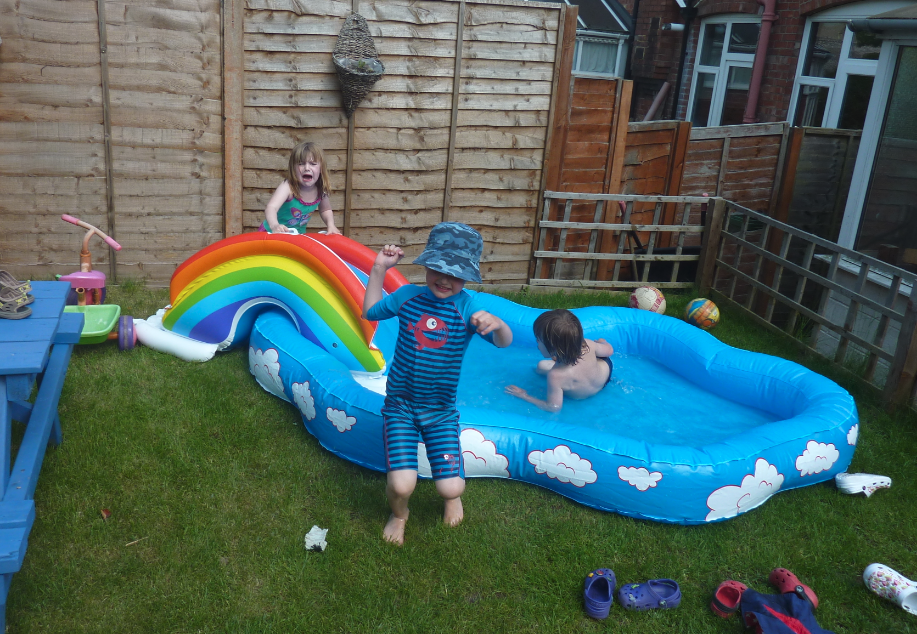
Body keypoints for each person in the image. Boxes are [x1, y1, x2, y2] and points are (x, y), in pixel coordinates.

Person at [363, 222, 513, 546]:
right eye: (438, 269)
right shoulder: (407, 298)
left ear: (468, 276)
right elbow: (370, 310)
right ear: (427, 264)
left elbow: (504, 343)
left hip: (440, 412)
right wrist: (378, 269)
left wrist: (498, 324)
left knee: (451, 487)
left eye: (455, 274)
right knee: (401, 485)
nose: (444, 279)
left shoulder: (468, 307)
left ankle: (452, 498)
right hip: (400, 407)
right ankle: (400, 514)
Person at [505, 309, 613, 412]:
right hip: (605, 376)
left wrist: (524, 395)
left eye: (539, 339)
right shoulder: (588, 344)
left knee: (541, 366)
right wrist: (602, 342)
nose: (537, 341)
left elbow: (553, 407)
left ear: (554, 348)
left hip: (581, 396)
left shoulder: (556, 375)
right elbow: (609, 351)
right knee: (543, 366)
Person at [261, 141, 341, 235]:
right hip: (272, 233)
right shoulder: (289, 187)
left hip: (297, 236)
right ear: (293, 168)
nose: (307, 168)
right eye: (301, 164)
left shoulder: (321, 189)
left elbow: (325, 210)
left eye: (313, 163)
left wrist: (331, 225)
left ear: (321, 169)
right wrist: (274, 225)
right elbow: (271, 207)